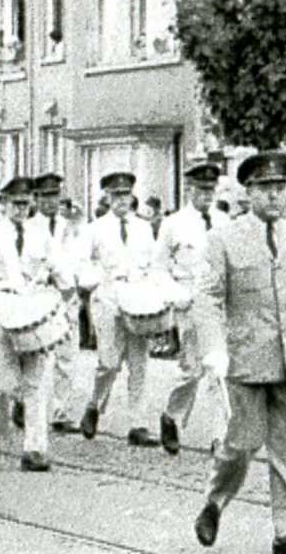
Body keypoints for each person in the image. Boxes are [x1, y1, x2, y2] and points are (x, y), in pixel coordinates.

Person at [193, 151, 286, 554]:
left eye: (281, 188)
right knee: (239, 445)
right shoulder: (223, 238)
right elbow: (206, 298)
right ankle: (215, 501)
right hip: (244, 362)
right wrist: (214, 349)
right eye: (265, 189)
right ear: (249, 193)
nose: (275, 196)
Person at [0, 177, 70, 471]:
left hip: (34, 312)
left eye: (26, 204)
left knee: (37, 384)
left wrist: (59, 286)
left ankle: (35, 450)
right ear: (3, 204)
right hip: (2, 313)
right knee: (6, 384)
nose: (21, 209)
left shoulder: (42, 235)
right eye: (15, 204)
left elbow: (62, 270)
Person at [77, 171, 162, 447]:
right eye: (116, 195)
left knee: (139, 362)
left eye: (126, 195)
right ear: (108, 198)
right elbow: (81, 262)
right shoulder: (94, 229)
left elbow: (153, 262)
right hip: (108, 294)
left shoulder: (143, 228)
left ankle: (138, 423)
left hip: (137, 294)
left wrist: (155, 292)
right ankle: (94, 405)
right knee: (109, 362)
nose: (122, 200)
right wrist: (95, 280)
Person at [152, 162, 227, 455]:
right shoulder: (174, 224)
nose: (207, 195)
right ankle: (171, 415)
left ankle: (220, 438)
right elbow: (158, 267)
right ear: (189, 189)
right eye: (201, 189)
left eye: (211, 189)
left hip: (218, 305)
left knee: (218, 369)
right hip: (190, 303)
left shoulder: (224, 222)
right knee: (191, 371)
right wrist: (177, 295)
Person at [29, 173, 82, 434]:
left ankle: (62, 410)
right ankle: (28, 405)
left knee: (67, 356)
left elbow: (78, 258)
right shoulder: (29, 226)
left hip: (67, 295)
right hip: (40, 295)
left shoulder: (70, 226)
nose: (51, 202)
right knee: (37, 356)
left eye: (55, 196)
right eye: (45, 196)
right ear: (36, 198)